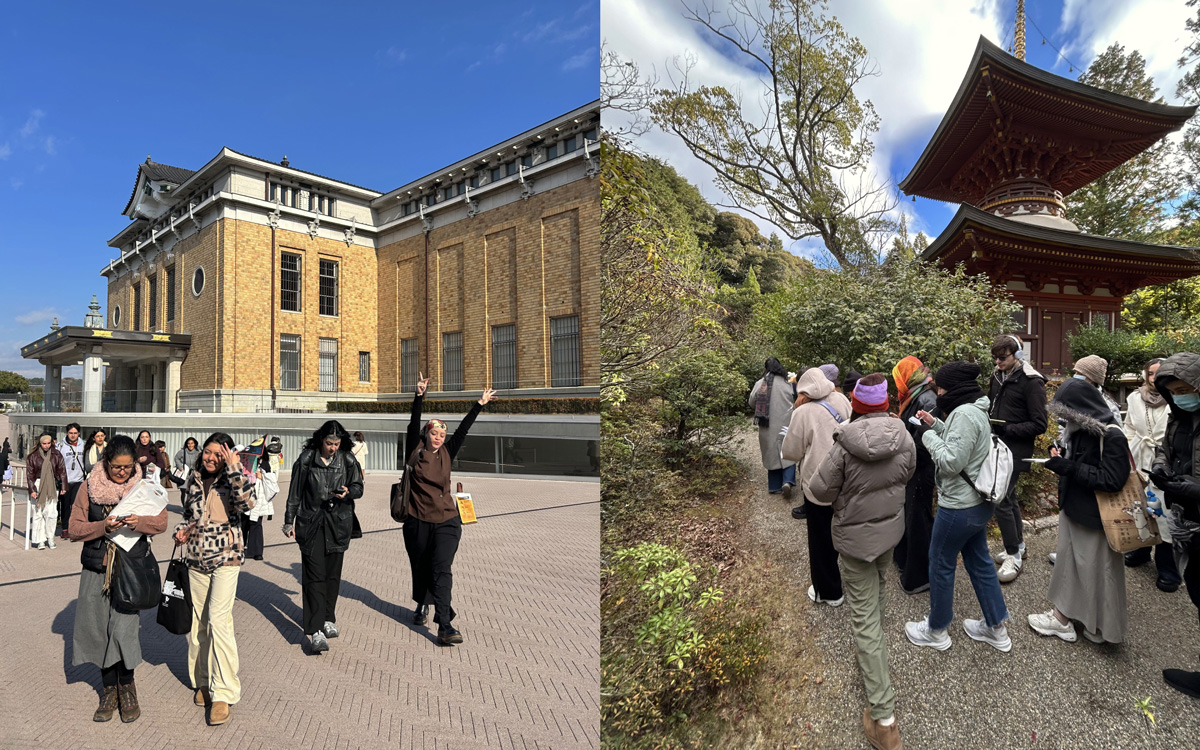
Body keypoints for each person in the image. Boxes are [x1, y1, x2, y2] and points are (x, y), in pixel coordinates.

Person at [809, 374, 915, 749]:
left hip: (854, 540)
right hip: (889, 533)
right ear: (885, 403)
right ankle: (874, 653)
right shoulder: (905, 438)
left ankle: (884, 721)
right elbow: (907, 475)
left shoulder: (843, 444)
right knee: (879, 587)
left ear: (855, 404)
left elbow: (819, 490)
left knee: (864, 617)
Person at [905, 362, 1011, 653]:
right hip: (977, 505)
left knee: (940, 563)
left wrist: (926, 436)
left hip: (958, 508)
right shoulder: (975, 408)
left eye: (940, 387)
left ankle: (936, 630)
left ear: (953, 388)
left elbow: (951, 462)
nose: (938, 392)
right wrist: (935, 424)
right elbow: (963, 442)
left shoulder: (964, 414)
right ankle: (995, 627)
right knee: (980, 562)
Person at [68, 435, 167, 723]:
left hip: (130, 570)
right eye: (116, 467)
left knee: (124, 631)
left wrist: (140, 522)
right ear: (105, 462)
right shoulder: (90, 486)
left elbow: (161, 522)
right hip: (96, 568)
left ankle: (127, 687)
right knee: (98, 631)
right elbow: (73, 529)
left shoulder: (144, 487)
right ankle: (108, 690)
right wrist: (102, 526)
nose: (122, 473)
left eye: (127, 467)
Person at [1027, 377, 1132, 645]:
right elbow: (1080, 462)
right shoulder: (1080, 431)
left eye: (1067, 412)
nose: (1064, 419)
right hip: (1077, 508)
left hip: (1096, 516)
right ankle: (1086, 623)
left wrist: (1069, 468)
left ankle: (1077, 622)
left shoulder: (1111, 435)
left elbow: (1112, 480)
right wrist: (1061, 457)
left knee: (1097, 571)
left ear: (1082, 408)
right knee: (1078, 567)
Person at [403, 372, 497, 645]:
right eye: (435, 433)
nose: (440, 438)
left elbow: (463, 430)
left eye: (442, 434)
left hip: (447, 520)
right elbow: (412, 423)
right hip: (418, 520)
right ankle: (422, 603)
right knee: (421, 567)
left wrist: (479, 404)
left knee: (441, 569)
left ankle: (445, 625)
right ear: (426, 434)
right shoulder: (415, 450)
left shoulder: (448, 451)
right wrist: (419, 396)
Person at [172, 433, 254, 726]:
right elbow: (189, 515)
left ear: (228, 456)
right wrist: (181, 531)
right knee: (198, 623)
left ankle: (224, 692)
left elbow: (248, 505)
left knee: (219, 620)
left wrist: (233, 468)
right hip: (196, 557)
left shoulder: (235, 476)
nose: (211, 458)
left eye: (219, 455)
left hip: (227, 557)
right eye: (208, 452)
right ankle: (202, 682)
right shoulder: (193, 479)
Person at [282, 421, 365, 652]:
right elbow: (294, 492)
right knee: (314, 576)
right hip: (311, 524)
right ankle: (315, 630)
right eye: (329, 443)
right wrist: (289, 521)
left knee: (332, 576)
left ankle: (329, 618)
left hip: (338, 524)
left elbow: (359, 487)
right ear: (321, 441)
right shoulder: (307, 459)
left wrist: (349, 491)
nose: (333, 448)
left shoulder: (347, 459)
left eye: (337, 443)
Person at [1149, 352, 1200, 697]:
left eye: (1185, 388)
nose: (1180, 394)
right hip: (1186, 517)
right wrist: (1161, 467)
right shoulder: (1178, 417)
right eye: (1173, 390)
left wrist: (1196, 489)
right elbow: (1164, 449)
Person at [782, 367, 853, 606]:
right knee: (845, 531)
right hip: (847, 480)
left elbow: (791, 452)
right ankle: (856, 582)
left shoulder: (802, 412)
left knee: (821, 539)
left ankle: (830, 592)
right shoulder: (841, 398)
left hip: (819, 484)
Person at [986, 335, 1048, 584]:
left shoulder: (1032, 381)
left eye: (1003, 357)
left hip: (1015, 450)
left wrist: (1008, 428)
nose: (998, 362)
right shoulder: (997, 375)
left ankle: (1013, 555)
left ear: (1017, 355)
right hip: (997, 447)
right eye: (996, 358)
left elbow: (1040, 424)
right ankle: (1019, 545)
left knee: (1000, 499)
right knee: (1009, 499)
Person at [1123, 358, 1181, 592]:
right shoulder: (1134, 397)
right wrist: (1129, 446)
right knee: (1140, 507)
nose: (1154, 378)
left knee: (1165, 514)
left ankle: (1169, 568)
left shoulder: (1177, 398)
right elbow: (1128, 426)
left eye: (1159, 373)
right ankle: (1141, 551)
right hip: (1139, 457)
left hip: (1167, 460)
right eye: (1150, 373)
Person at [891, 356, 938, 595]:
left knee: (918, 519)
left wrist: (902, 438)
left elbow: (925, 440)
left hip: (921, 468)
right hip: (912, 466)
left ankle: (920, 577)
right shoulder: (916, 394)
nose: (897, 383)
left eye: (898, 377)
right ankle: (905, 560)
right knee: (909, 516)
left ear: (907, 377)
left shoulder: (926, 398)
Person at [749, 358, 798, 498]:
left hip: (767, 424)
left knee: (771, 453)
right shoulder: (788, 383)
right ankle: (788, 481)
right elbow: (796, 400)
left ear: (766, 368)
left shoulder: (760, 384)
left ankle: (775, 486)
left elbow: (751, 402)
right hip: (787, 423)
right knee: (788, 451)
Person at [26, 433, 67, 550]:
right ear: (40, 443)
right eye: (44, 443)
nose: (46, 445)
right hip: (38, 484)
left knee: (52, 513)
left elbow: (62, 470)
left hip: (53, 486)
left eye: (49, 443)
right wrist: (32, 489)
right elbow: (30, 475)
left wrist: (64, 486)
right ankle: (40, 540)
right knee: (38, 513)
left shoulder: (56, 454)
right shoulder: (33, 456)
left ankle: (50, 537)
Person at [244, 441, 280, 562]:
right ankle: (243, 548)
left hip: (259, 498)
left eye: (259, 452)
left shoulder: (265, 464)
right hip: (246, 497)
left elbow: (271, 481)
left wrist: (261, 476)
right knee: (244, 523)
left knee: (256, 524)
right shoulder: (246, 462)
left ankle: (256, 552)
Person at [57, 423, 87, 539]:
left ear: (78, 433)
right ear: (67, 433)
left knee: (76, 506)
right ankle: (65, 528)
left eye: (75, 433)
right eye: (70, 433)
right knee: (65, 505)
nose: (73, 435)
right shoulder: (60, 446)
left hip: (79, 480)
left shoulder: (83, 445)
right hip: (65, 481)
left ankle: (76, 528)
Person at [1073, 354, 1124, 423]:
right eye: (1075, 372)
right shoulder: (1072, 397)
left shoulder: (1108, 406)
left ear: (1092, 379)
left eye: (1080, 374)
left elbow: (1116, 431)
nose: (1076, 376)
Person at [174, 437, 201, 502]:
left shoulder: (198, 453)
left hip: (193, 475)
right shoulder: (182, 452)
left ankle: (189, 506)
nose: (190, 445)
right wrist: (180, 466)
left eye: (192, 443)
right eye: (188, 443)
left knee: (192, 492)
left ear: (195, 444)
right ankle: (184, 508)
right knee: (183, 491)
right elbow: (176, 458)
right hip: (184, 475)